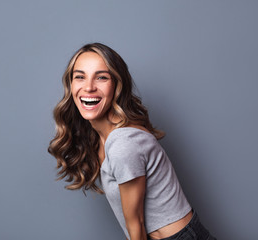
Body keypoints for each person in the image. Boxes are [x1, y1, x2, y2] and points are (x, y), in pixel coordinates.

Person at [48, 43, 215, 240]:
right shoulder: (100, 136)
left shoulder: (123, 143)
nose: (89, 87)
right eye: (80, 76)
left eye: (101, 77)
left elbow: (136, 225)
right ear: (70, 85)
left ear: (117, 85)